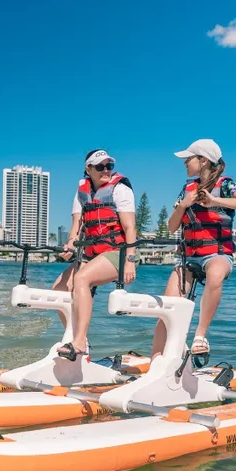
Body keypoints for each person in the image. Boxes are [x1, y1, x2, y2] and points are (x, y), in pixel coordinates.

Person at [150, 139, 236, 362]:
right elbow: (172, 226)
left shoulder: (226, 186)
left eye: (188, 159)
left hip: (217, 254)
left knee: (215, 275)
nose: (185, 163)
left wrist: (214, 200)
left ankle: (200, 336)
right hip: (188, 258)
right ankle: (156, 363)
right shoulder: (186, 189)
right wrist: (183, 205)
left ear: (203, 160)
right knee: (166, 310)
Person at [52, 149, 138, 361]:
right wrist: (70, 246)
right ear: (88, 169)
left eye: (109, 166)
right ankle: (80, 340)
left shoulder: (120, 189)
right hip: (90, 255)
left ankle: (79, 341)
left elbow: (130, 229)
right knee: (59, 289)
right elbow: (75, 228)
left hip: (117, 254)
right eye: (100, 167)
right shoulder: (82, 192)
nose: (106, 170)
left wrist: (130, 261)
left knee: (82, 278)